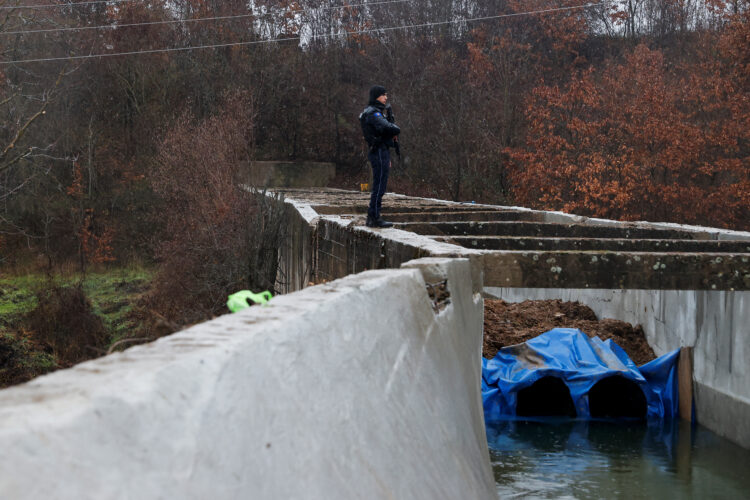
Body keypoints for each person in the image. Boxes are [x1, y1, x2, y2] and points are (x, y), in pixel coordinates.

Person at [360, 85, 400, 228]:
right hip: (378, 151)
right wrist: (393, 129)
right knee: (379, 186)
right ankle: (374, 217)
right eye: (384, 95)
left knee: (380, 186)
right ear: (377, 96)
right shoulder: (373, 113)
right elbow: (391, 128)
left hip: (381, 151)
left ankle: (374, 216)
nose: (386, 97)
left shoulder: (374, 112)